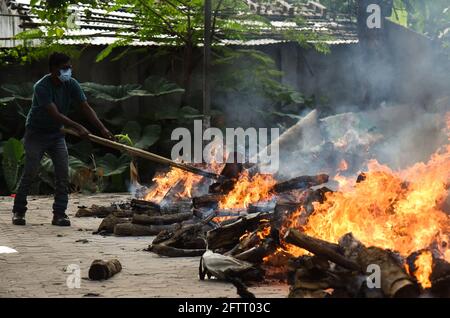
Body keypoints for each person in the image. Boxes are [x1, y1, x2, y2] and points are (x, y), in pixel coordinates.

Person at [12, 52, 114, 226]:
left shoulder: (71, 84)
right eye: (64, 68)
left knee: (62, 173)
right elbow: (55, 114)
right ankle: (19, 211)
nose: (68, 71)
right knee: (30, 171)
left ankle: (59, 214)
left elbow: (86, 107)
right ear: (53, 69)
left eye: (69, 67)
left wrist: (102, 128)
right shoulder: (41, 87)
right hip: (36, 134)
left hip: (56, 134)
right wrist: (78, 127)